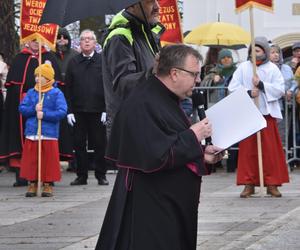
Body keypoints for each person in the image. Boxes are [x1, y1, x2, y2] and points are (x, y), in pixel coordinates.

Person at [95, 44, 224, 250]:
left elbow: (169, 140)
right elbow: (156, 154)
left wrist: (201, 154)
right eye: (194, 74)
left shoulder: (164, 97)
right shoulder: (144, 102)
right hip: (151, 205)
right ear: (174, 73)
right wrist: (194, 134)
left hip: (166, 201)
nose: (198, 80)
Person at [228, 36, 289, 198]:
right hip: (249, 114)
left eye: (258, 50)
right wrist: (249, 92)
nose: (254, 53)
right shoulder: (243, 68)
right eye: (252, 51)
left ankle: (272, 183)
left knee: (270, 151)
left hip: (266, 114)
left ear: (264, 52)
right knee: (248, 151)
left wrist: (262, 86)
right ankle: (249, 183)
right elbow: (232, 88)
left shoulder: (272, 69)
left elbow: (280, 89)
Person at [0, 39, 63, 187]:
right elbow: (13, 88)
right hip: (25, 109)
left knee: (46, 145)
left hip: (45, 110)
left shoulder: (49, 57)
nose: (36, 43)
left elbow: (57, 86)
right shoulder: (19, 59)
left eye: (39, 40)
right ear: (27, 42)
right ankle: (23, 176)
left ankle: (47, 178)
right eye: (33, 40)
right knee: (23, 143)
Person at [101, 0, 164, 138]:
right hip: (130, 130)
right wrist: (156, 70)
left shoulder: (147, 34)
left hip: (148, 122)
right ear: (131, 5)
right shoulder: (120, 37)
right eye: (150, 2)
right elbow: (124, 84)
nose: (157, 7)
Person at [65, 29, 108, 186]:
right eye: (84, 39)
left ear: (95, 43)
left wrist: (106, 109)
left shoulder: (103, 61)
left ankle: (101, 175)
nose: (87, 41)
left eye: (90, 39)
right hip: (78, 111)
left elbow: (108, 87)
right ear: (80, 43)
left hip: (98, 111)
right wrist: (69, 111)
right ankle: (81, 175)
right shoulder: (73, 62)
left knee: (99, 144)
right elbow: (68, 88)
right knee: (79, 144)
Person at [19, 63, 67, 197]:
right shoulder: (31, 92)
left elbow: (62, 111)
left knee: (49, 160)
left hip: (48, 133)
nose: (37, 79)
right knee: (31, 160)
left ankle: (47, 184)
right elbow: (22, 109)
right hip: (32, 132)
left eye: (40, 76)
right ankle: (32, 183)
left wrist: (45, 114)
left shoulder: (56, 93)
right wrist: (33, 110)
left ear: (48, 78)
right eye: (36, 76)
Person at [53, 27, 79, 171]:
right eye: (59, 37)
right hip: (55, 92)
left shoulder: (74, 55)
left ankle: (73, 161)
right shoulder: (51, 55)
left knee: (72, 129)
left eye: (65, 37)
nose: (62, 40)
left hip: (71, 94)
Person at [269, 44, 296, 145]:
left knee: (282, 135)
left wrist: (291, 91)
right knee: (270, 135)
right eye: (272, 52)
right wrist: (281, 92)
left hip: (286, 106)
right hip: (272, 106)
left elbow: (294, 83)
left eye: (277, 52)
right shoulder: (266, 68)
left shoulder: (286, 68)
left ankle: (282, 159)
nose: (276, 55)